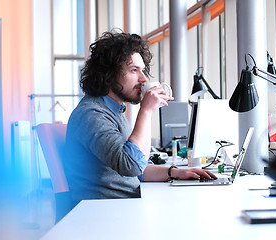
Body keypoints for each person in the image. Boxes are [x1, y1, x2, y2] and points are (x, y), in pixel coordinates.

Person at [65, 30, 216, 203]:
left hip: (125, 204)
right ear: (109, 74)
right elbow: (131, 165)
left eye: (143, 70)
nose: (143, 79)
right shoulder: (91, 114)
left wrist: (173, 172)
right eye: (134, 70)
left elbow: (139, 167)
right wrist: (146, 111)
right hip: (107, 212)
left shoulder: (115, 111)